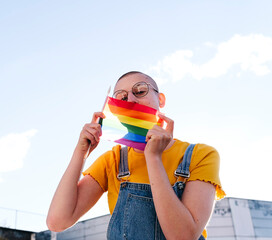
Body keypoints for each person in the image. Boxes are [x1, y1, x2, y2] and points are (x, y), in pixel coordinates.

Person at [46, 71, 225, 239]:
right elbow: (58, 221)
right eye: (121, 97)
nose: (130, 99)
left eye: (140, 91)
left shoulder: (201, 155)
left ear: (160, 99)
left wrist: (153, 157)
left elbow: (183, 236)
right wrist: (81, 151)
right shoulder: (113, 161)